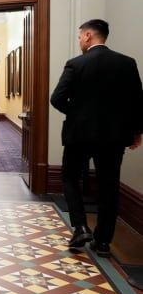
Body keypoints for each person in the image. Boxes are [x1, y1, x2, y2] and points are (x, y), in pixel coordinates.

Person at [50, 19, 143, 258]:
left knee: (70, 178)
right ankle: (103, 242)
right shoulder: (127, 63)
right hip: (113, 137)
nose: (80, 40)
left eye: (80, 36)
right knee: (109, 187)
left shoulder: (76, 64)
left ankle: (80, 227)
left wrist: (78, 113)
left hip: (78, 135)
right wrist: (136, 132)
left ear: (89, 36)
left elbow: (57, 98)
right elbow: (137, 102)